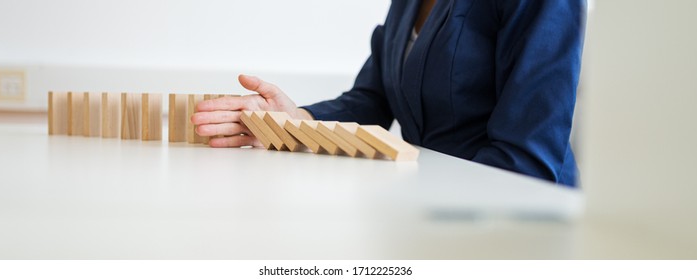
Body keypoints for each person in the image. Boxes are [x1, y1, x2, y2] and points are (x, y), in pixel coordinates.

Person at [191, 0, 586, 187]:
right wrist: (297, 121)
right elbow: (373, 100)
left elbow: (526, 159)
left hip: (514, 226)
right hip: (428, 217)